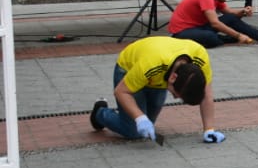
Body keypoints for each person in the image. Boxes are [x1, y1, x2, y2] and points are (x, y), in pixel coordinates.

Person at [89, 35, 221, 143]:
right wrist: (139, 118)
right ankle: (100, 113)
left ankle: (136, 112)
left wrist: (209, 130)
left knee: (148, 125)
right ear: (173, 78)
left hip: (158, 75)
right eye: (176, 94)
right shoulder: (151, 64)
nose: (175, 97)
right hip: (130, 69)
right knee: (133, 131)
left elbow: (206, 95)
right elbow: (121, 92)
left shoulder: (200, 58)